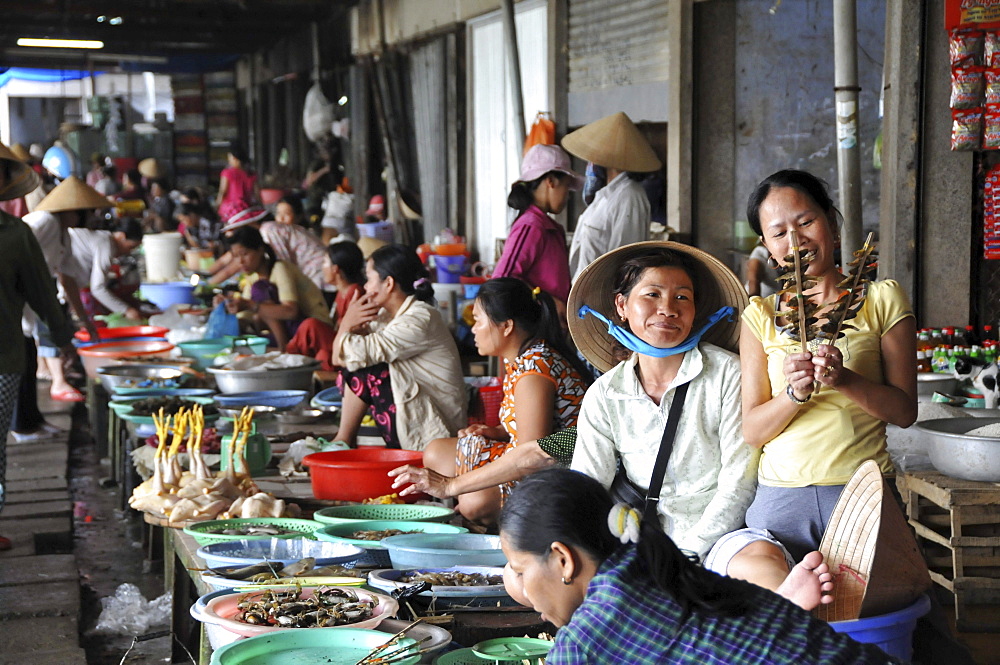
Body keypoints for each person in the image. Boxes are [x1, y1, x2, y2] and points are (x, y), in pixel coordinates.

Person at [498, 469, 900, 665]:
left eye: (518, 569)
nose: (521, 587)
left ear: (563, 559)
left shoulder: (588, 640)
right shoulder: (651, 563)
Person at [740, 169, 917, 561]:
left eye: (806, 222)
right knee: (779, 615)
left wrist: (844, 379)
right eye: (779, 232)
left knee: (882, 611)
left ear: (832, 227)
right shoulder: (760, 316)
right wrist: (793, 394)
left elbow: (905, 412)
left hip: (862, 493)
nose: (796, 239)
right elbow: (752, 431)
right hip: (780, 500)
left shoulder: (881, 299)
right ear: (768, 249)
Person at [417, 278, 592, 524]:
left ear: (507, 326)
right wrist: (497, 432)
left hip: (557, 471)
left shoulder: (534, 371)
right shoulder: (521, 360)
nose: (473, 328)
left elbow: (532, 458)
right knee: (436, 452)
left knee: (473, 503)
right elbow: (529, 429)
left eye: (478, 320)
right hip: (527, 456)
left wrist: (454, 485)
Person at [0, 150, 77, 550]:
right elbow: (44, 295)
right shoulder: (21, 232)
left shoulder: (17, 234)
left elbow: (44, 295)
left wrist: (62, 336)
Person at [330, 244, 466, 450]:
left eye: (369, 279)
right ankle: (343, 440)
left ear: (389, 283)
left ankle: (344, 439)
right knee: (356, 366)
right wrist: (349, 326)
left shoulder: (420, 318)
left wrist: (347, 322)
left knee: (367, 367)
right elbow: (341, 357)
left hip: (437, 431)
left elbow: (346, 355)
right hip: (416, 416)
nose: (365, 287)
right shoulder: (387, 316)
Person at [19, 176, 107, 408]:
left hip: (39, 291)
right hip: (22, 291)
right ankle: (54, 387)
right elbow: (15, 247)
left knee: (39, 344)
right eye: (86, 212)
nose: (89, 218)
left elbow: (68, 281)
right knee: (28, 353)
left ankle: (33, 418)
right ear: (73, 210)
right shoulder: (44, 221)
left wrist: (85, 320)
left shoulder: (64, 234)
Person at [562, 112, 662, 281]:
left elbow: (626, 260)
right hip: (584, 294)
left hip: (602, 298)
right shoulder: (604, 196)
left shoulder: (630, 196)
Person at [492, 144, 581, 307]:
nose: (567, 195)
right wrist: (547, 301)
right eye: (567, 186)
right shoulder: (531, 225)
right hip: (535, 326)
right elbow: (503, 280)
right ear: (551, 181)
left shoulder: (549, 227)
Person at [222, 225, 333, 351]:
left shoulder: (280, 269)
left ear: (260, 250)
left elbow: (291, 311)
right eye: (235, 256)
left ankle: (284, 349)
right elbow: (245, 318)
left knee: (260, 291)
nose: (240, 261)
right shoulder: (252, 278)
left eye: (245, 254)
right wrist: (227, 307)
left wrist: (251, 306)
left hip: (315, 331)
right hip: (293, 332)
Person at [285, 241, 366, 371]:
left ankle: (290, 362)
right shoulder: (342, 292)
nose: (322, 268)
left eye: (324, 262)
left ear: (335, 269)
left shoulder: (355, 292)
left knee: (311, 326)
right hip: (337, 340)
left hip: (347, 343)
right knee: (321, 352)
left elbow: (354, 331)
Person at [209, 204, 327, 290]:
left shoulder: (269, 231)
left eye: (234, 230)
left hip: (319, 275)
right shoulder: (266, 230)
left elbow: (285, 266)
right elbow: (228, 265)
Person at [67, 218, 149, 321]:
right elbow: (98, 288)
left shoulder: (104, 238)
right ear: (121, 236)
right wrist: (127, 311)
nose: (129, 252)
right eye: (130, 247)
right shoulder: (106, 245)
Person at [216, 143, 259, 222]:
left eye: (230, 158)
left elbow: (223, 192)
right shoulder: (251, 174)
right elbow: (257, 194)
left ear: (235, 159)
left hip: (230, 211)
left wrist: (217, 206)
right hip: (247, 210)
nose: (229, 161)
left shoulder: (227, 173)